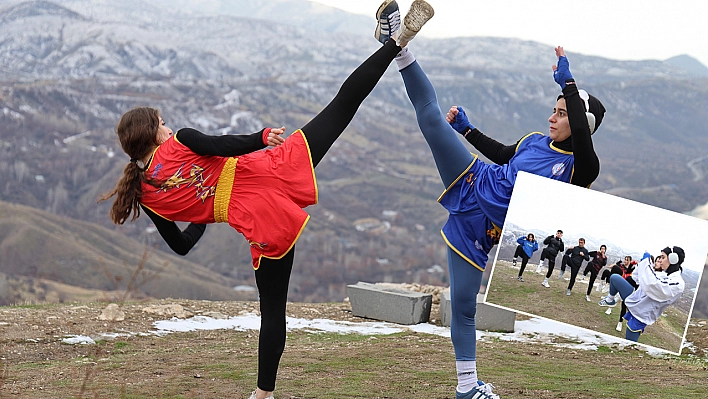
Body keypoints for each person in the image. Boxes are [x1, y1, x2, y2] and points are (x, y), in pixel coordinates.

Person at [100, 2, 434, 398]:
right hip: (269, 168)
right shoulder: (180, 141)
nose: (168, 125)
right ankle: (395, 42)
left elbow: (182, 246)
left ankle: (264, 394)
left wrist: (208, 209)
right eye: (162, 122)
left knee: (273, 311)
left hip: (257, 219)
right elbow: (222, 146)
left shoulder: (149, 196)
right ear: (154, 133)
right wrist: (260, 137)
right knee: (342, 107)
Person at [386, 0, 606, 395]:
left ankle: (467, 388)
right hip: (474, 181)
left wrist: (569, 85)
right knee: (432, 119)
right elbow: (504, 155)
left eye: (561, 113)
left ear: (579, 124)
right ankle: (400, 46)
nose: (552, 117)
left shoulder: (582, 169)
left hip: (482, 231)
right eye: (553, 110)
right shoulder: (535, 140)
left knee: (464, 306)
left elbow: (583, 137)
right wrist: (468, 131)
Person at [599, 247, 686, 342]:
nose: (660, 260)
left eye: (663, 257)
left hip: (642, 312)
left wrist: (646, 263)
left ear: (673, 259)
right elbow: (638, 277)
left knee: (629, 341)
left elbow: (652, 285)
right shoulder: (663, 274)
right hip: (635, 300)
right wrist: (642, 265)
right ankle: (610, 300)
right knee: (615, 277)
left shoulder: (678, 283)